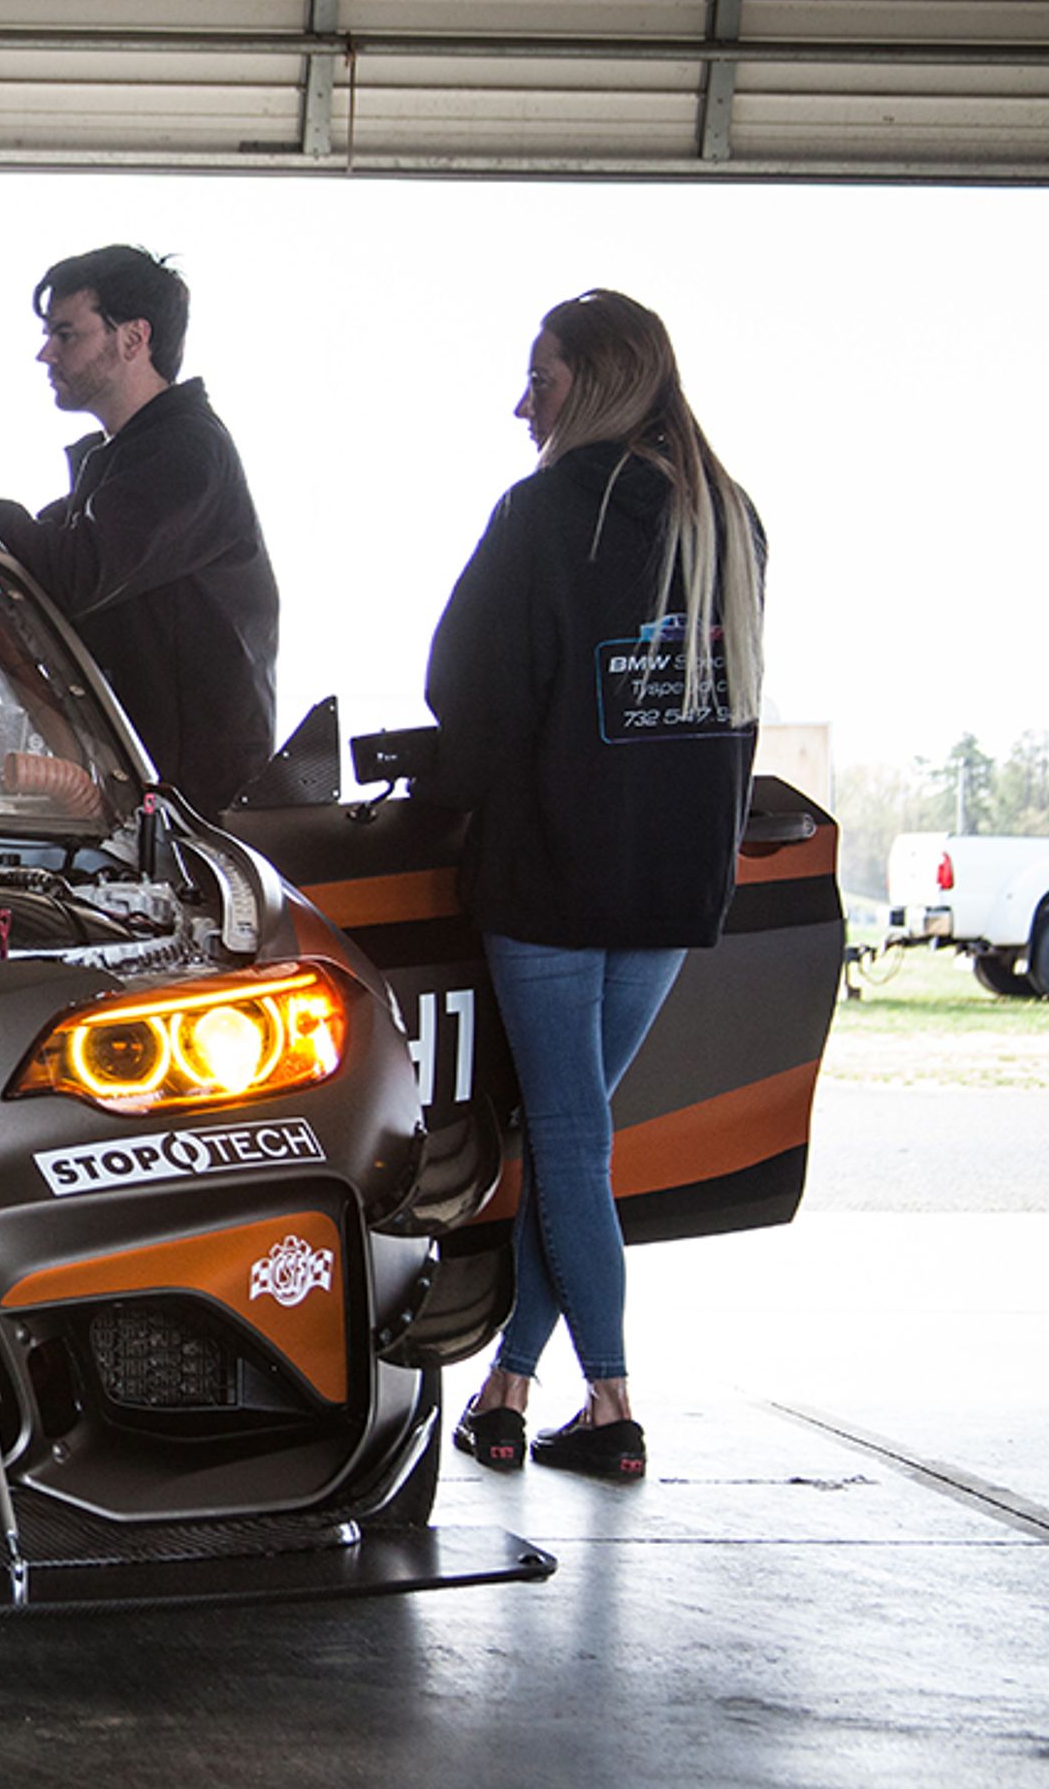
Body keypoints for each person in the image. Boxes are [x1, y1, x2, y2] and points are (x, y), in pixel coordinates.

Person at [424, 289, 766, 1483]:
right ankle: (510, 1386)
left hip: (554, 874)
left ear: (600, 379)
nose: (524, 405)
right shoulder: (729, 519)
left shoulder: (546, 512)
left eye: (544, 378)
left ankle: (611, 1401)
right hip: (675, 881)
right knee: (574, 1136)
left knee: (569, 1140)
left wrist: (466, 786)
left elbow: (462, 692)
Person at [0, 245, 279, 813]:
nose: (45, 353)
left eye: (65, 334)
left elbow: (73, 572)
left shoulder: (184, 452)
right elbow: (35, 556)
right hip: (135, 788)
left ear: (133, 338)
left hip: (187, 809)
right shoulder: (125, 459)